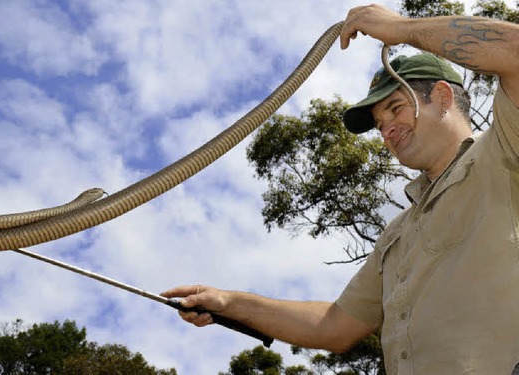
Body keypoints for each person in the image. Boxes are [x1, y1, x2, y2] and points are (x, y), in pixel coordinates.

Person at [162, 3, 519, 374]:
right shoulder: (397, 235)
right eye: (379, 125)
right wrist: (229, 302)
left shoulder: (504, 149)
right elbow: (334, 326)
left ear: (443, 98)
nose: (387, 130)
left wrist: (401, 29)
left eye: (395, 108)